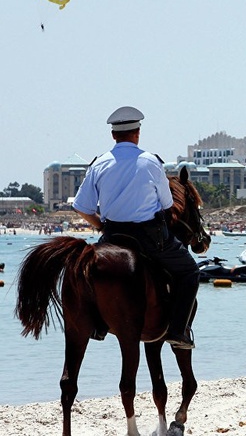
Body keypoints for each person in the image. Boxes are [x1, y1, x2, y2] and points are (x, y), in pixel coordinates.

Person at [73, 106, 199, 349]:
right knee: (190, 272)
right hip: (149, 237)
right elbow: (167, 203)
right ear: (137, 133)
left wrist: (101, 226)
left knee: (88, 274)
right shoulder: (151, 162)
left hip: (112, 236)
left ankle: (98, 324)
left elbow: (81, 207)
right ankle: (177, 331)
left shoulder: (99, 164)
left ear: (113, 136)